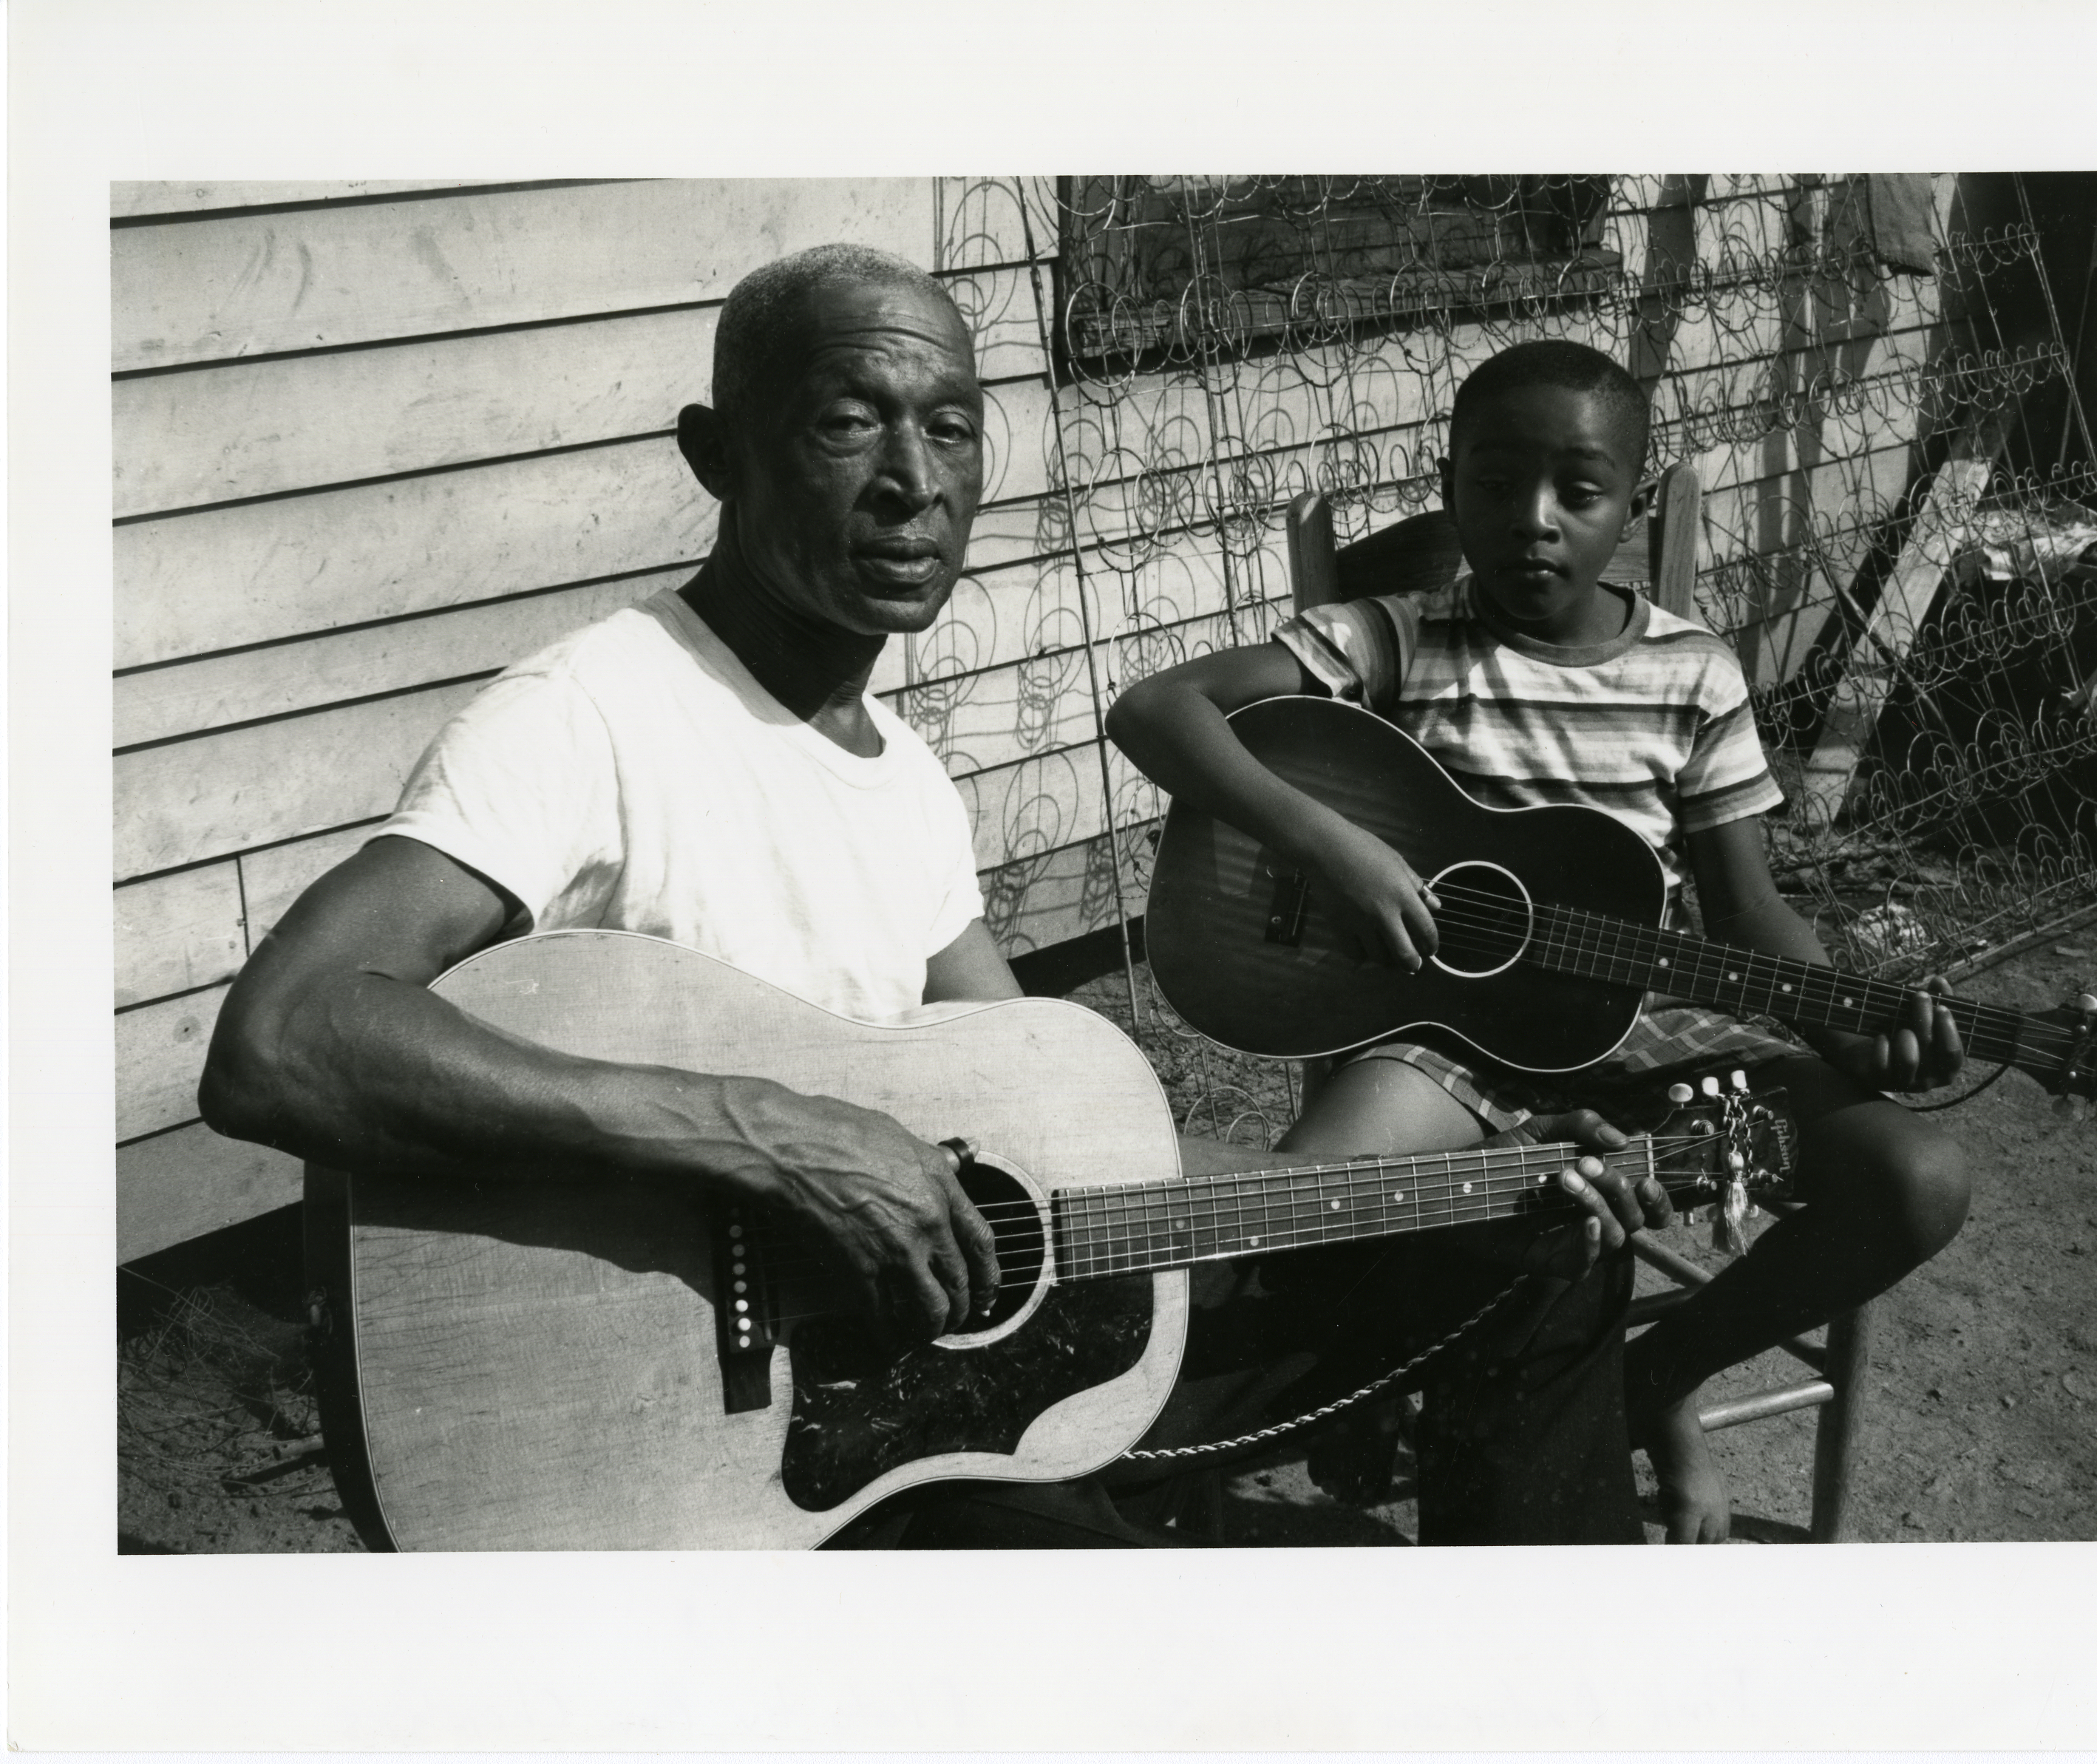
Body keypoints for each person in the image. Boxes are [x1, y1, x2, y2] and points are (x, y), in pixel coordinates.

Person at [199, 246, 1666, 1549]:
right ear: (720, 454)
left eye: (949, 427)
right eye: (850, 422)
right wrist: (762, 1137)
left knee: (1542, 1254)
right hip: (746, 1462)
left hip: (916, 1392)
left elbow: (1062, 1173)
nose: (914, 479)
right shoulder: (592, 713)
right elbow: (284, 1040)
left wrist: (1490, 1166)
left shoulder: (902, 779)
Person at [1105, 338, 1972, 1543]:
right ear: (1449, 480)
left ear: (1630, 496)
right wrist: (1326, 846)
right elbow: (1154, 709)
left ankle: (1646, 1382)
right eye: (1497, 482)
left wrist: (1855, 1030)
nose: (1534, 520)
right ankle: (1347, 1397)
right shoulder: (1394, 636)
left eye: (1580, 489)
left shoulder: (1693, 672)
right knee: (1304, 1211)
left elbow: (1749, 913)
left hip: (1654, 1042)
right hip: (1446, 1053)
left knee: (1915, 1180)